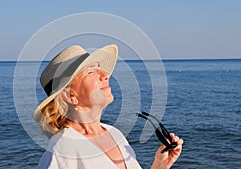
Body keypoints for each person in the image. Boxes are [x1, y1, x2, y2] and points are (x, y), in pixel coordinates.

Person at [34, 44, 183, 169]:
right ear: (70, 96)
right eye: (91, 72)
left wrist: (159, 165)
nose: (105, 75)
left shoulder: (114, 134)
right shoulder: (62, 150)